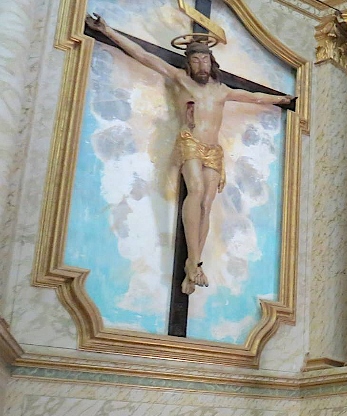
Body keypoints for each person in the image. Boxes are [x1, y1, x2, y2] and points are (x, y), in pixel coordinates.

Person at [85, 14, 293, 295]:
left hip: (213, 150)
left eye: (205, 60)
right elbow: (144, 56)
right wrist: (107, 30)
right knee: (195, 191)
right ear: (189, 63)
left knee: (207, 203)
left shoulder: (222, 91)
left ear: (212, 62)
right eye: (195, 60)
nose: (201, 65)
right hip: (191, 141)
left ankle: (193, 265)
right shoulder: (180, 80)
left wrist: (283, 100)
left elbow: (255, 97)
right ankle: (193, 262)